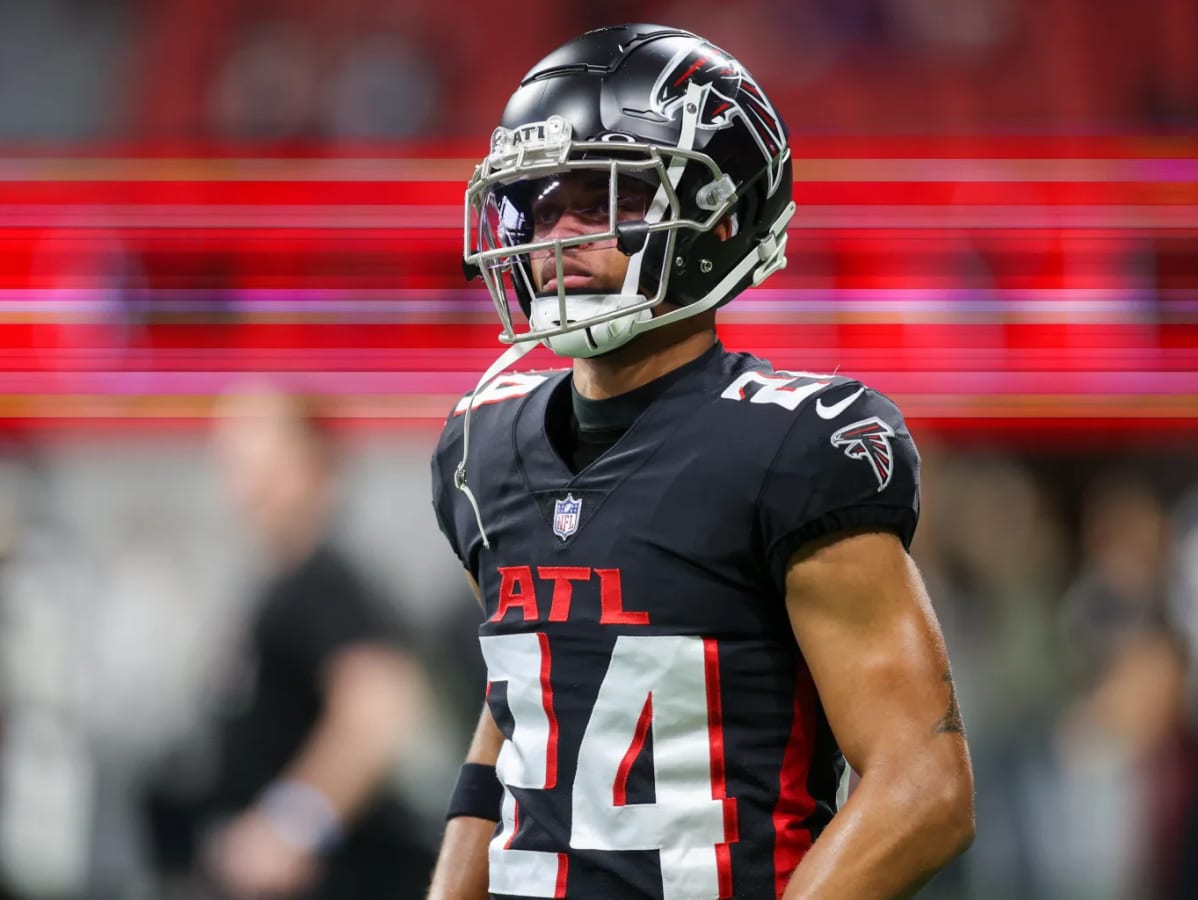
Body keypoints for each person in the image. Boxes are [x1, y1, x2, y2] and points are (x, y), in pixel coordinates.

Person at [428, 23, 974, 900]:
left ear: (720, 214)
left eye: (608, 199)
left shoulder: (792, 446)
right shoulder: (480, 447)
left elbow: (925, 786)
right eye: (543, 199)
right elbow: (518, 713)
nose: (559, 231)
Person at [144, 386, 434, 900]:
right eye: (234, 462)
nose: (247, 483)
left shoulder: (326, 580)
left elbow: (379, 708)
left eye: (264, 462)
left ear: (315, 465)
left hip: (343, 877)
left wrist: (290, 828)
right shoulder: (277, 584)